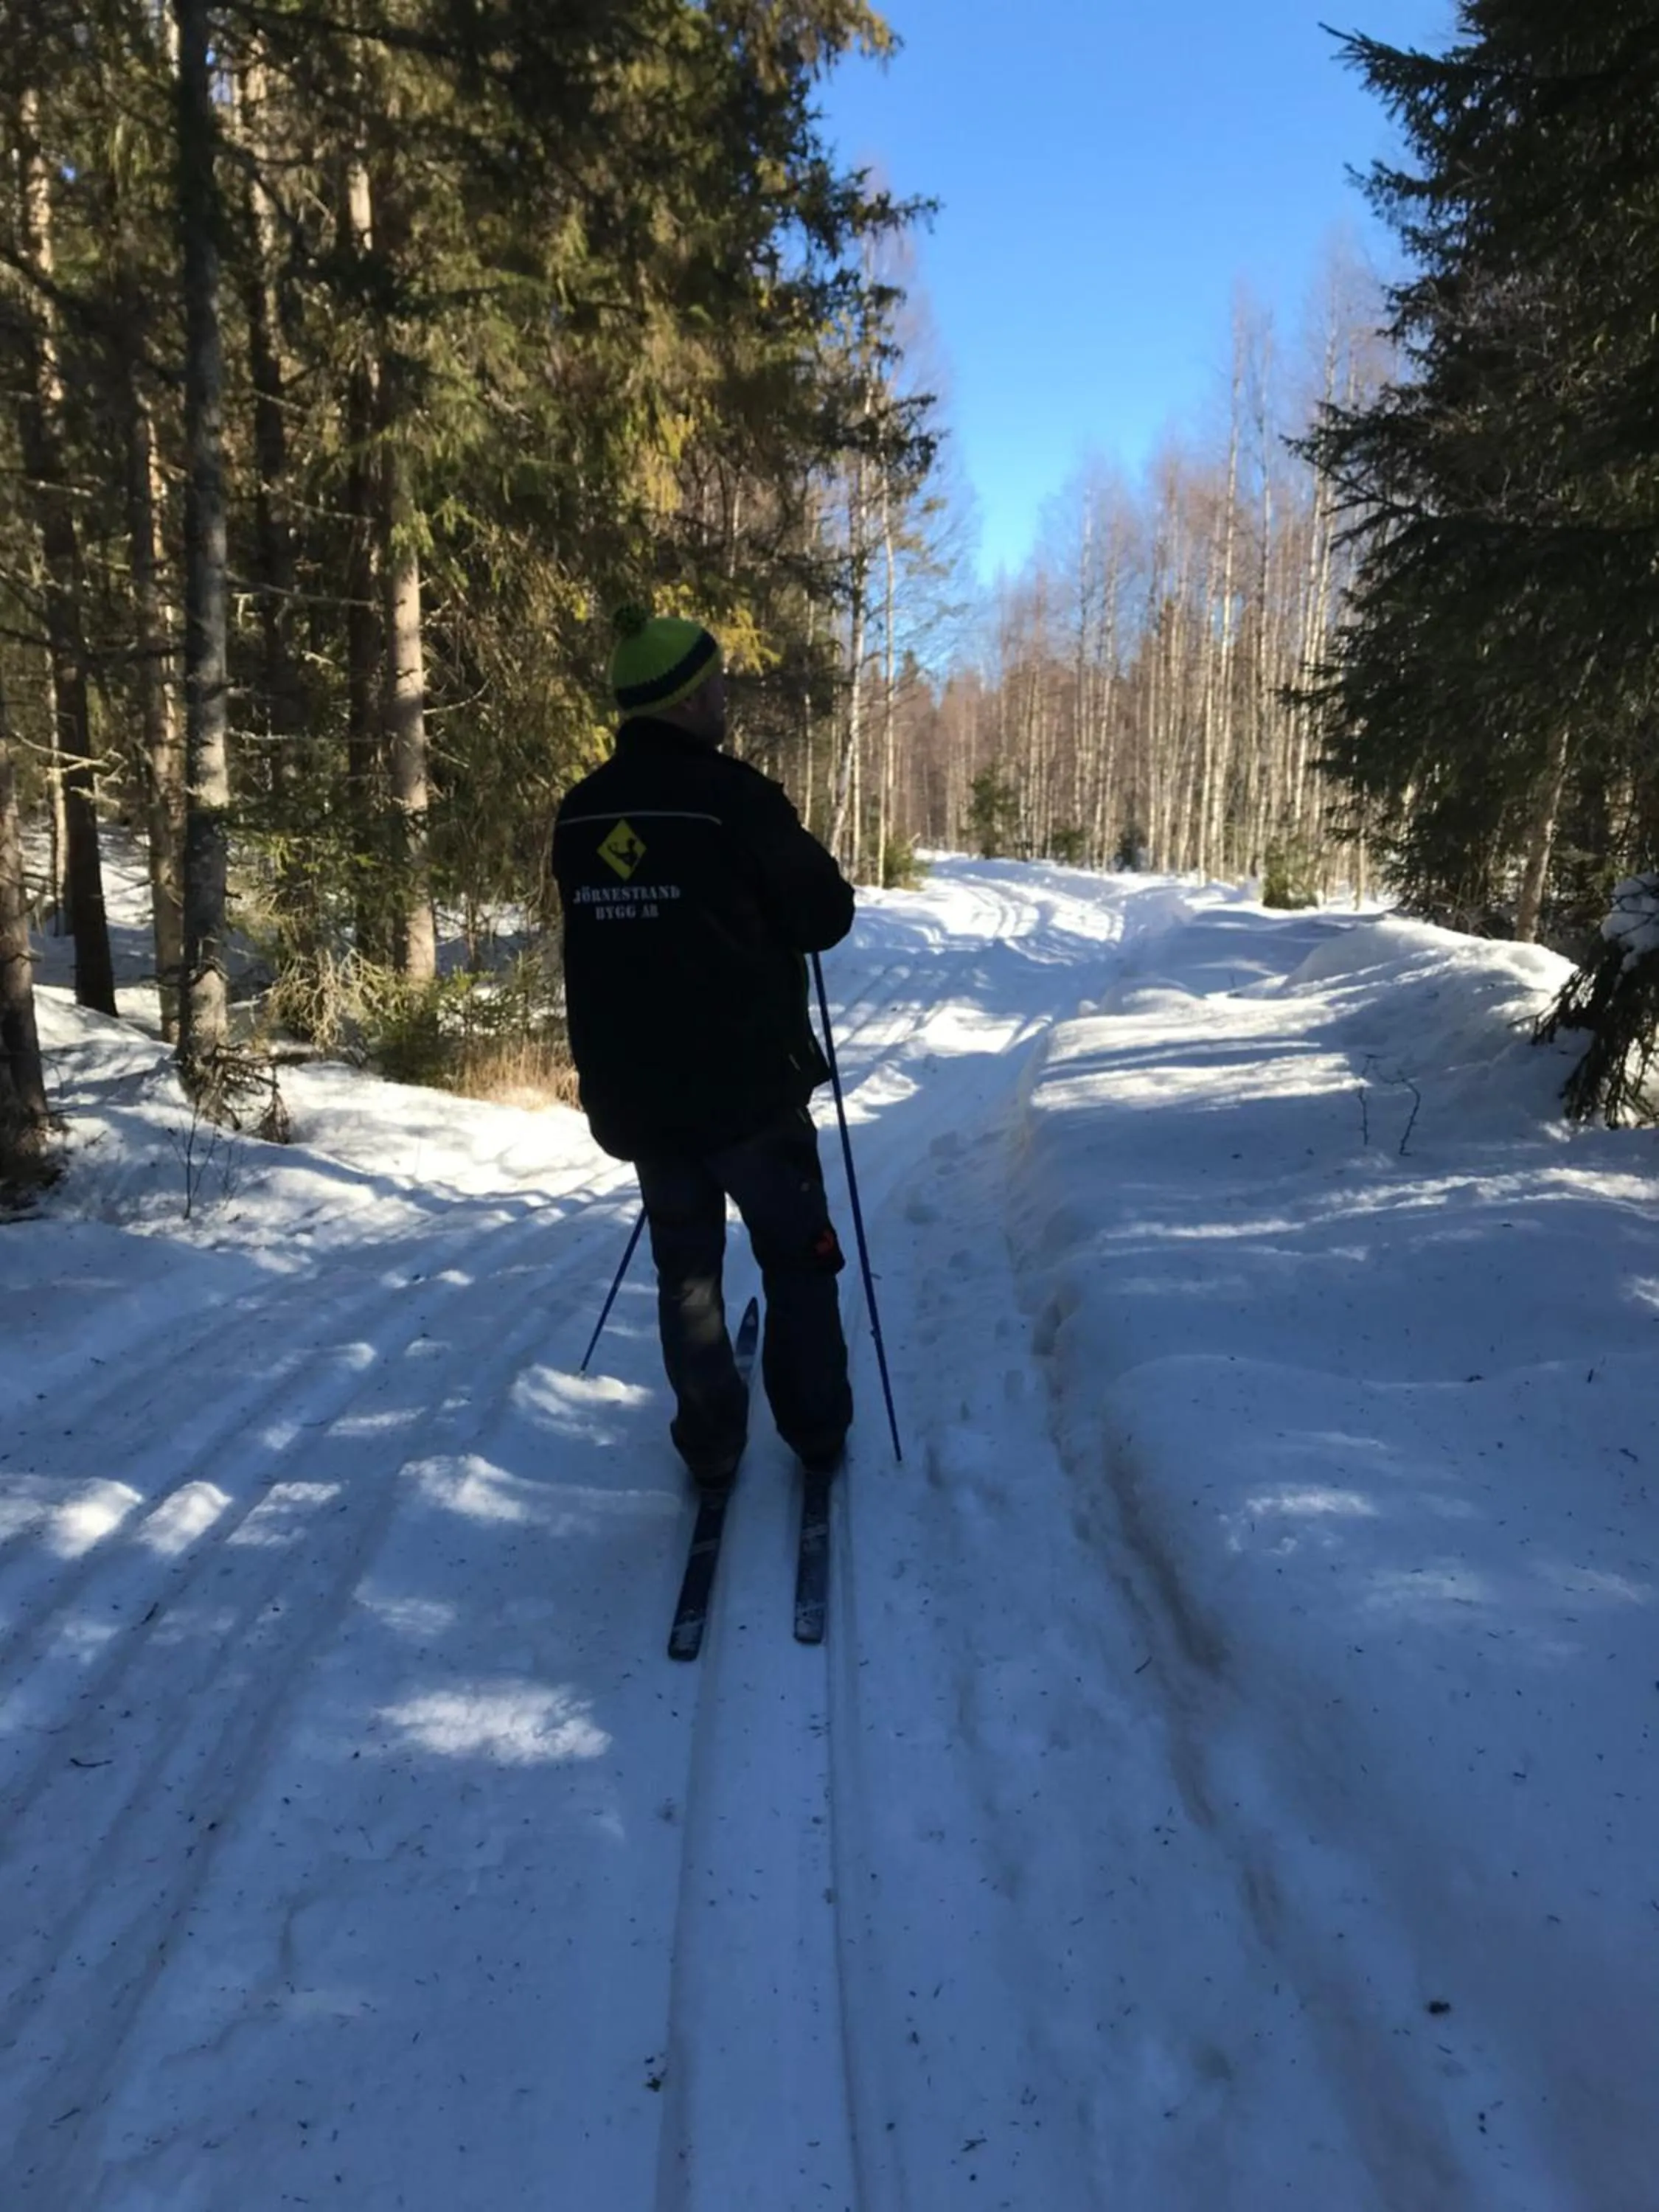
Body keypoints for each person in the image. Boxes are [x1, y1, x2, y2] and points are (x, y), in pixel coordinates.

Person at [552, 608, 856, 1491]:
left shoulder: (583, 813)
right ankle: (816, 1429)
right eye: (716, 682)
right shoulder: (735, 800)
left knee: (686, 1270)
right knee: (800, 1260)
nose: (726, 693)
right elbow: (824, 915)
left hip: (641, 1098)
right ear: (685, 699)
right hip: (751, 1094)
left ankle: (712, 1441)